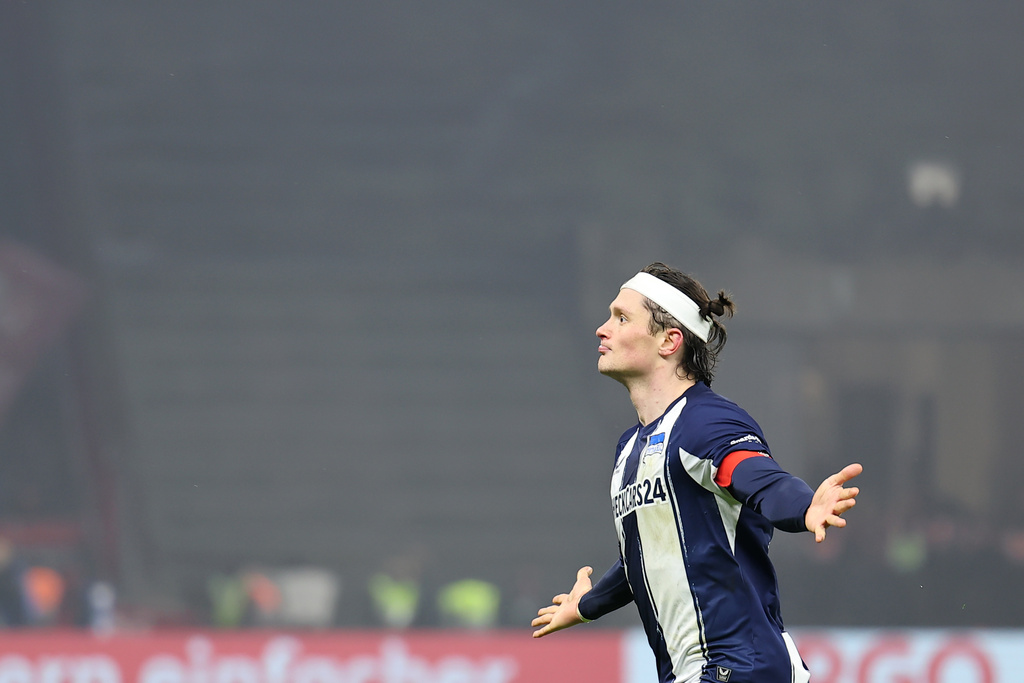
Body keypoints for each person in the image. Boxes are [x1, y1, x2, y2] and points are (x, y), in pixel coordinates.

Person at [532, 263, 862, 683]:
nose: (602, 329)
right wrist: (587, 605)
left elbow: (757, 478)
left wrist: (804, 506)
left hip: (742, 668)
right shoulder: (629, 448)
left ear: (670, 341)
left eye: (621, 318)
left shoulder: (703, 422)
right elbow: (651, 557)